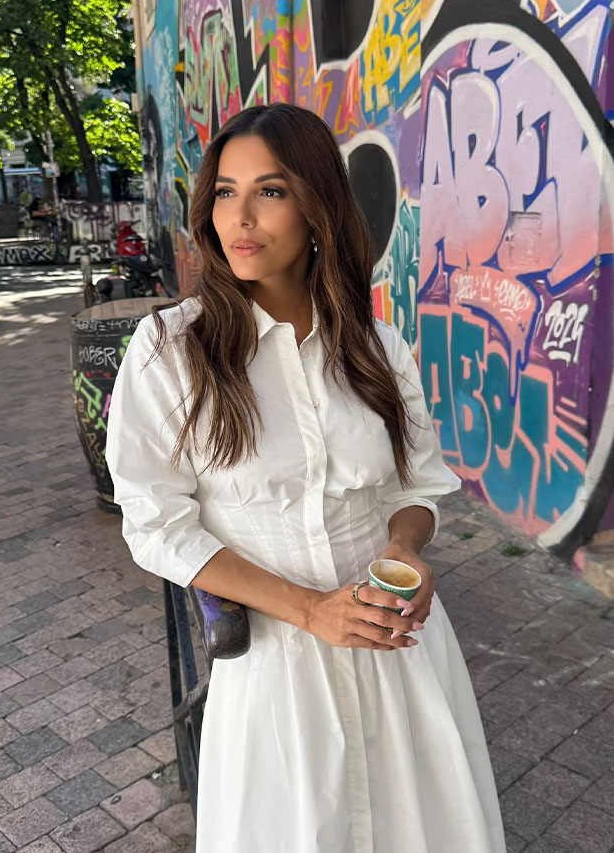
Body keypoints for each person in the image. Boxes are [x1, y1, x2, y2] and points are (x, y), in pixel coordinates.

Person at [106, 103, 506, 853]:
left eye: (272, 191)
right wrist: (310, 610)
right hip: (275, 668)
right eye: (225, 191)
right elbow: (156, 524)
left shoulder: (375, 345)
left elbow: (417, 487)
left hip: (399, 651)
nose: (241, 217)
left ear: (318, 206)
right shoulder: (172, 350)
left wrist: (409, 553)